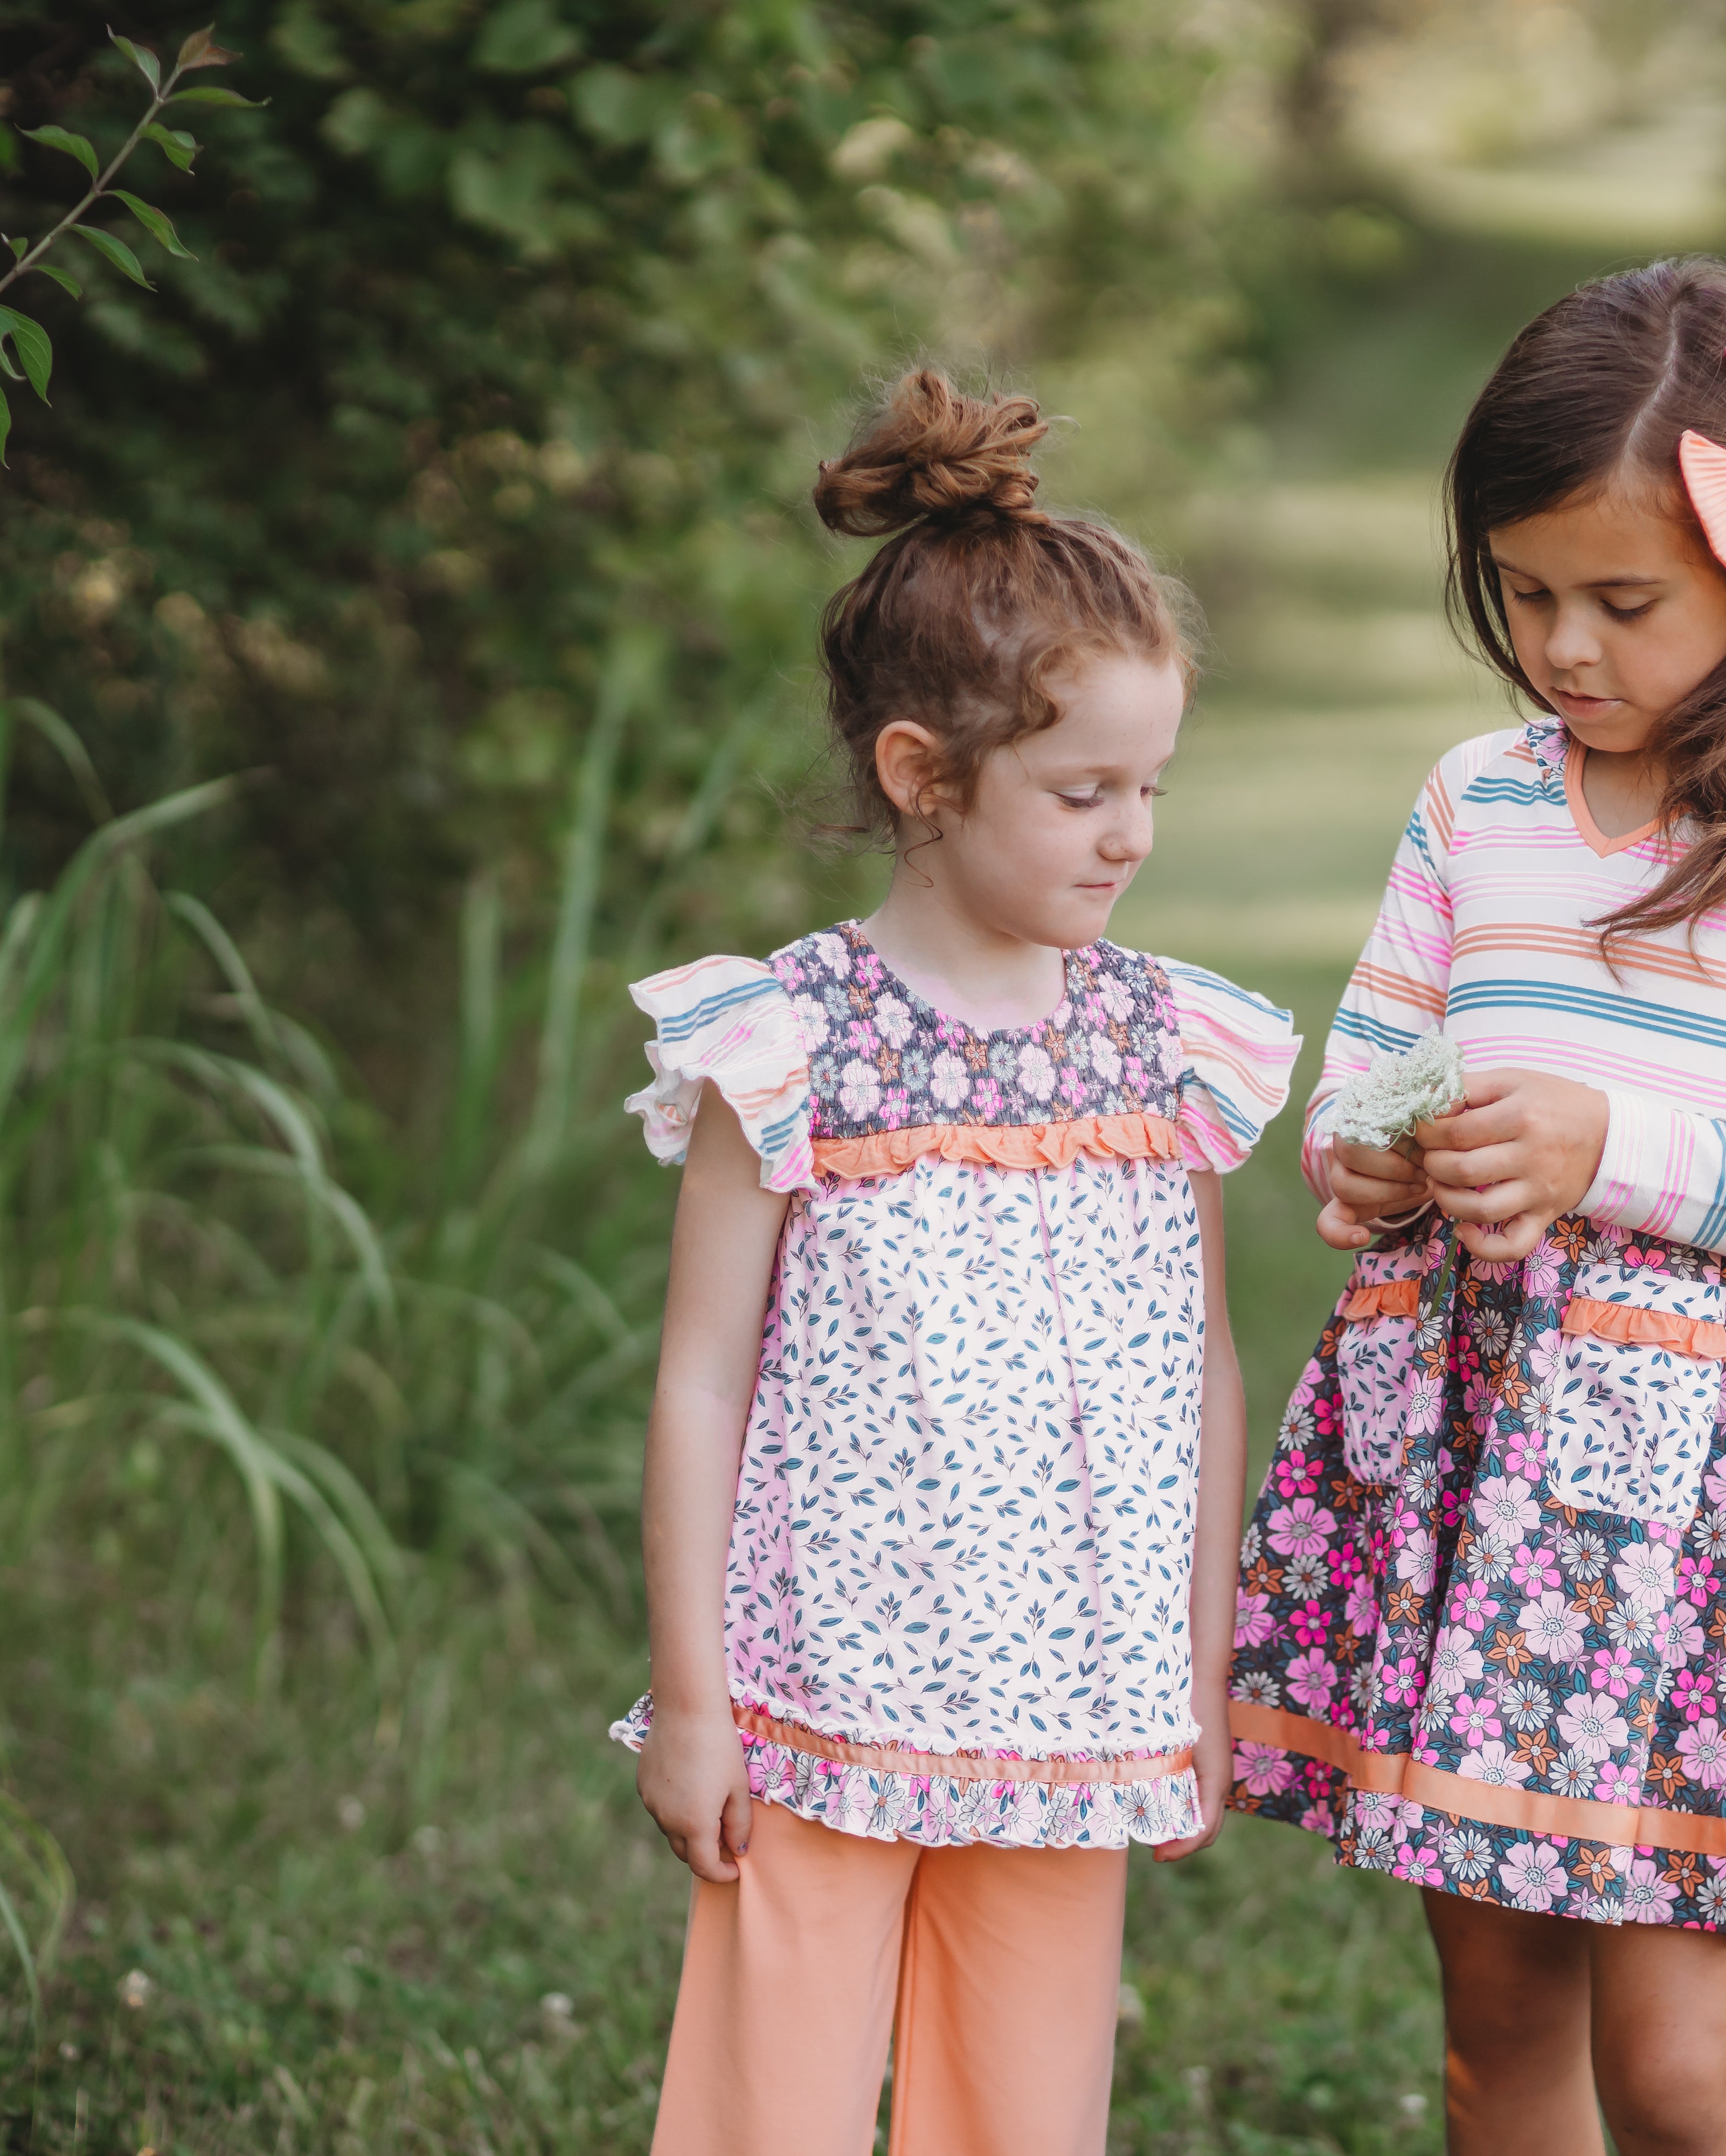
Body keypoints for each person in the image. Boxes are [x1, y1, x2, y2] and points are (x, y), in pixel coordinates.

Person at [1223, 257, 1726, 2155]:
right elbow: (1368, 1075)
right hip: (1478, 1467)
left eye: (1622, 600)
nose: (1566, 647)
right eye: (1528, 592)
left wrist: (1601, 1147)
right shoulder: (1478, 803)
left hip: (1705, 1508)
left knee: (1678, 2067)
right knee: (1495, 2031)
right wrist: (1375, 1156)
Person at [615, 369, 1299, 2156]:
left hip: (1072, 1698)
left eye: (1148, 783)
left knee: (1029, 2113)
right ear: (923, 776)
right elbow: (702, 1374)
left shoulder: (1170, 1049)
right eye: (1083, 791)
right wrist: (695, 1704)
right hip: (823, 1688)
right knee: (774, 2109)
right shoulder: (791, 1045)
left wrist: (1197, 1669)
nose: (1131, 833)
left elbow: (1205, 1360)